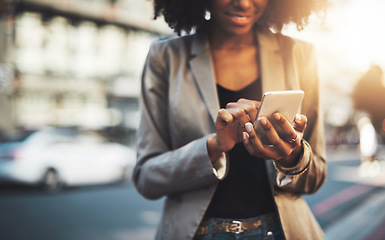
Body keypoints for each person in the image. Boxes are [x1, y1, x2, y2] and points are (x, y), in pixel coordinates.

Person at [133, 0, 327, 239]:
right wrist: (213, 147)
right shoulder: (165, 57)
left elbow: (316, 176)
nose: (243, 3)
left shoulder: (299, 55)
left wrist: (292, 156)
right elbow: (147, 177)